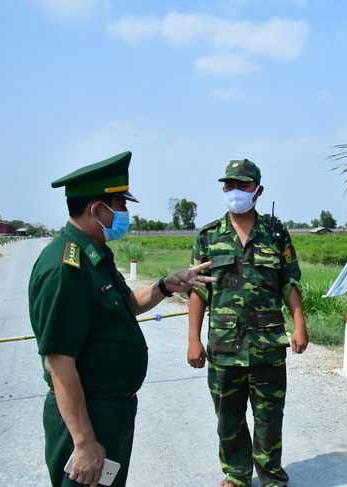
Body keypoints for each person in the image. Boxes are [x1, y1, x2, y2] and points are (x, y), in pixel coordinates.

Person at [28, 151, 214, 487]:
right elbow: (58, 361)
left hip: (112, 412)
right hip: (88, 417)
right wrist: (84, 443)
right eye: (120, 204)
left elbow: (125, 303)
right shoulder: (65, 267)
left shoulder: (94, 254)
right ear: (97, 209)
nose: (125, 213)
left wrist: (164, 286)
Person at [187, 159, 308, 487]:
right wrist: (193, 340)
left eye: (242, 185)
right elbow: (198, 291)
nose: (235, 191)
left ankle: (270, 477)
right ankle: (236, 476)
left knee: (270, 417)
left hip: (267, 346)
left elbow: (289, 283)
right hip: (224, 347)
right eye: (229, 185)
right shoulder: (209, 237)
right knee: (229, 418)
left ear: (258, 190)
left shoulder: (275, 234)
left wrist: (299, 324)